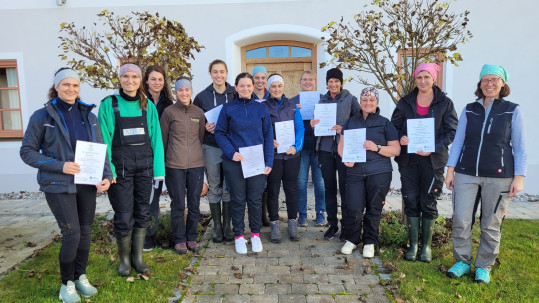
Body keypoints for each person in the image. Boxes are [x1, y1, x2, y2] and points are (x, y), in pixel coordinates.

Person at [20, 68, 112, 303]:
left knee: (86, 232)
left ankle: (81, 275)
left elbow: (101, 150)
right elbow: (27, 152)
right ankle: (67, 284)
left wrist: (107, 176)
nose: (71, 89)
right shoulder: (42, 116)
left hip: (87, 183)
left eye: (75, 85)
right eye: (66, 85)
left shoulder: (89, 117)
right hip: (58, 184)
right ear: (57, 87)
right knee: (72, 233)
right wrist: (60, 165)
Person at [445, 64, 526, 283]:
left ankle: (484, 265)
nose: (489, 84)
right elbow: (459, 141)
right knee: (461, 219)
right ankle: (462, 260)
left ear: (502, 83)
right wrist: (450, 170)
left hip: (500, 176)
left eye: (494, 80)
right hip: (466, 174)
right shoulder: (470, 109)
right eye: (485, 80)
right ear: (480, 84)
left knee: (490, 223)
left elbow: (519, 146)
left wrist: (519, 177)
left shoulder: (512, 110)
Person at [98, 63, 165, 276]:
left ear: (140, 80)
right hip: (120, 172)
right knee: (124, 216)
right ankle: (124, 261)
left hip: (145, 170)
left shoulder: (148, 106)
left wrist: (158, 170)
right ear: (120, 79)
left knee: (143, 213)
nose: (130, 81)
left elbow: (156, 141)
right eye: (125, 76)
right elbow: (104, 141)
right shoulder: (109, 105)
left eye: (134, 77)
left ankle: (137, 258)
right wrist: (109, 172)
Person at [391, 62, 458, 263]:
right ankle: (413, 246)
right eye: (419, 77)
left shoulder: (445, 103)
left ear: (433, 78)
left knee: (428, 201)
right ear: (415, 79)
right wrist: (401, 137)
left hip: (433, 161)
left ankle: (426, 247)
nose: (422, 81)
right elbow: (394, 127)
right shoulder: (405, 102)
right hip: (409, 160)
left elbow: (451, 131)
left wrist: (434, 147)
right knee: (410, 199)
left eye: (426, 77)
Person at [214, 72, 274, 255]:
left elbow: (268, 136)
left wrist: (269, 161)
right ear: (236, 87)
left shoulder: (261, 108)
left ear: (253, 87)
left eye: (249, 85)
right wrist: (232, 153)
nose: (246, 88)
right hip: (235, 162)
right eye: (242, 85)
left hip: (256, 161)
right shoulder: (227, 109)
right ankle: (239, 236)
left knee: (255, 200)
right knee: (238, 199)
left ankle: (255, 234)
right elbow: (219, 133)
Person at [338, 88, 400, 258]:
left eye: (372, 100)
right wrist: (345, 158)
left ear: (377, 102)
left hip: (379, 172)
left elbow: (396, 149)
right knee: (354, 207)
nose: (368, 103)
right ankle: (352, 239)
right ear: (360, 101)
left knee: (374, 208)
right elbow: (341, 146)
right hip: (355, 172)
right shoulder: (351, 122)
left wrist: (377, 147)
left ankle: (370, 241)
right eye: (365, 100)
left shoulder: (385, 123)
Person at [311, 67, 360, 241]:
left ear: (341, 83)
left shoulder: (350, 99)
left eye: (336, 81)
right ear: (327, 83)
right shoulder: (321, 100)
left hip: (344, 149)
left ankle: (347, 225)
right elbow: (316, 123)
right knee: (329, 188)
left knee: (345, 189)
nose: (333, 84)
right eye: (330, 81)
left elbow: (360, 121)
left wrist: (344, 128)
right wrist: (313, 124)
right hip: (325, 149)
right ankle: (332, 224)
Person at [160, 77, 206, 254]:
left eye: (187, 90)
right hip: (174, 165)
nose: (184, 93)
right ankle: (179, 239)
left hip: (196, 165)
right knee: (178, 203)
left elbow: (200, 137)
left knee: (194, 203)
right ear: (176, 92)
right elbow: (163, 140)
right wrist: (163, 165)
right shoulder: (169, 112)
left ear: (191, 91)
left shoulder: (198, 113)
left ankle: (192, 238)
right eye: (180, 90)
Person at [193, 59, 236, 243]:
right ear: (210, 74)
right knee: (214, 185)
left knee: (229, 187)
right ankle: (217, 227)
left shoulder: (235, 94)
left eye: (222, 72)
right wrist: (205, 126)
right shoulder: (202, 97)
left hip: (231, 146)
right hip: (210, 146)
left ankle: (228, 226)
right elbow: (196, 122)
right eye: (215, 72)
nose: (219, 75)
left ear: (227, 73)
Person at [262, 74, 305, 242]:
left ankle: (292, 223)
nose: (276, 89)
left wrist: (296, 147)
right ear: (269, 88)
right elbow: (260, 129)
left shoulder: (293, 106)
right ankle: (274, 225)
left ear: (283, 87)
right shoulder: (263, 106)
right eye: (273, 86)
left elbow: (300, 128)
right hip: (273, 156)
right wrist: (268, 141)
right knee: (272, 191)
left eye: (279, 86)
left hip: (292, 155)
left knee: (291, 190)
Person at [142, 65, 174, 250]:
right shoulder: (138, 102)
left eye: (160, 79)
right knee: (143, 196)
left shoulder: (168, 104)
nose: (156, 83)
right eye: (153, 79)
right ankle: (138, 232)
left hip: (162, 157)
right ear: (146, 80)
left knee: (154, 196)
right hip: (143, 155)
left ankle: (149, 234)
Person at [290, 71, 326, 227]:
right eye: (304, 80)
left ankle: (320, 213)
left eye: (310, 80)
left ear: (315, 82)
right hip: (301, 148)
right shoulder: (292, 102)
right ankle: (302, 214)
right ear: (300, 82)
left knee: (319, 182)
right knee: (301, 182)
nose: (307, 82)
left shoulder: (323, 99)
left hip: (319, 147)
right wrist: (294, 112)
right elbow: (287, 125)